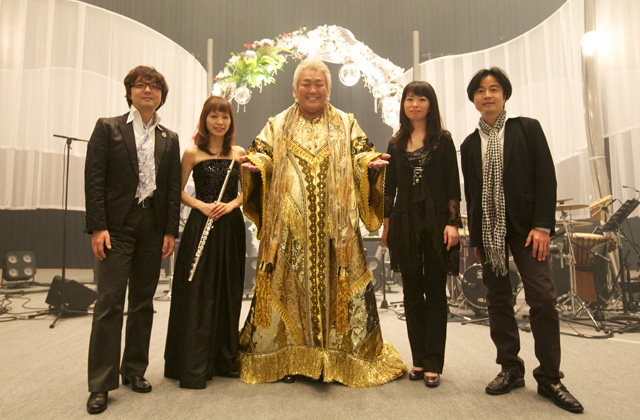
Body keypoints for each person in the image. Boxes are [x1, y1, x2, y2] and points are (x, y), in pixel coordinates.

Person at [238, 58, 407, 387]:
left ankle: (340, 356)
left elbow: (361, 153)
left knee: (340, 290)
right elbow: (262, 154)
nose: (312, 89)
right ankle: (287, 356)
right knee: (286, 290)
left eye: (319, 84)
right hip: (290, 233)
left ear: (328, 89)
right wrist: (257, 165)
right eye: (306, 83)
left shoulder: (346, 122)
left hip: (337, 233)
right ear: (295, 89)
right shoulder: (277, 124)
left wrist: (369, 164)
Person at [460, 67, 583, 413]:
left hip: (527, 228)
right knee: (498, 301)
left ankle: (550, 377)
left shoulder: (526, 128)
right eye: (480, 90)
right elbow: (472, 194)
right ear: (473, 99)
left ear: (504, 95)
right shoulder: (468, 144)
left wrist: (542, 225)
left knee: (542, 298)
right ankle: (510, 368)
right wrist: (476, 237)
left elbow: (546, 177)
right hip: (489, 232)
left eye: (494, 89)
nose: (487, 95)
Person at [84, 65, 181, 414]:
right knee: (109, 303)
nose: (147, 90)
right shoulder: (108, 127)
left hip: (152, 227)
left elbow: (172, 187)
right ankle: (101, 383)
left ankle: (134, 370)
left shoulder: (170, 137)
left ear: (161, 96)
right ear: (129, 92)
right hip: (117, 228)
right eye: (140, 85)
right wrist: (98, 226)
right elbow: (94, 179)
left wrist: (170, 230)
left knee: (142, 303)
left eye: (154, 86)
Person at [382, 81, 460, 388]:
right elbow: (389, 188)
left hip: (437, 222)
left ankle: (434, 363)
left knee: (435, 292)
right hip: (404, 223)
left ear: (431, 105)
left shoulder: (443, 140)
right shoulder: (395, 143)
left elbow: (452, 184)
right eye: (409, 99)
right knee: (412, 292)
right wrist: (386, 224)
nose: (414, 104)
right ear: (403, 105)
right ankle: (418, 360)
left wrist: (453, 223)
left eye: (421, 99)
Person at [164, 96, 246, 388]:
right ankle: (195, 362)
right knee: (198, 290)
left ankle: (224, 359)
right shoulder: (191, 153)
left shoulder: (239, 153)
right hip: (202, 224)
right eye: (214, 116)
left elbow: (248, 192)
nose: (219, 122)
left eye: (225, 117)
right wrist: (201, 205)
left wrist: (231, 205)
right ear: (204, 120)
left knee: (227, 289)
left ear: (230, 121)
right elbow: (176, 191)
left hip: (230, 226)